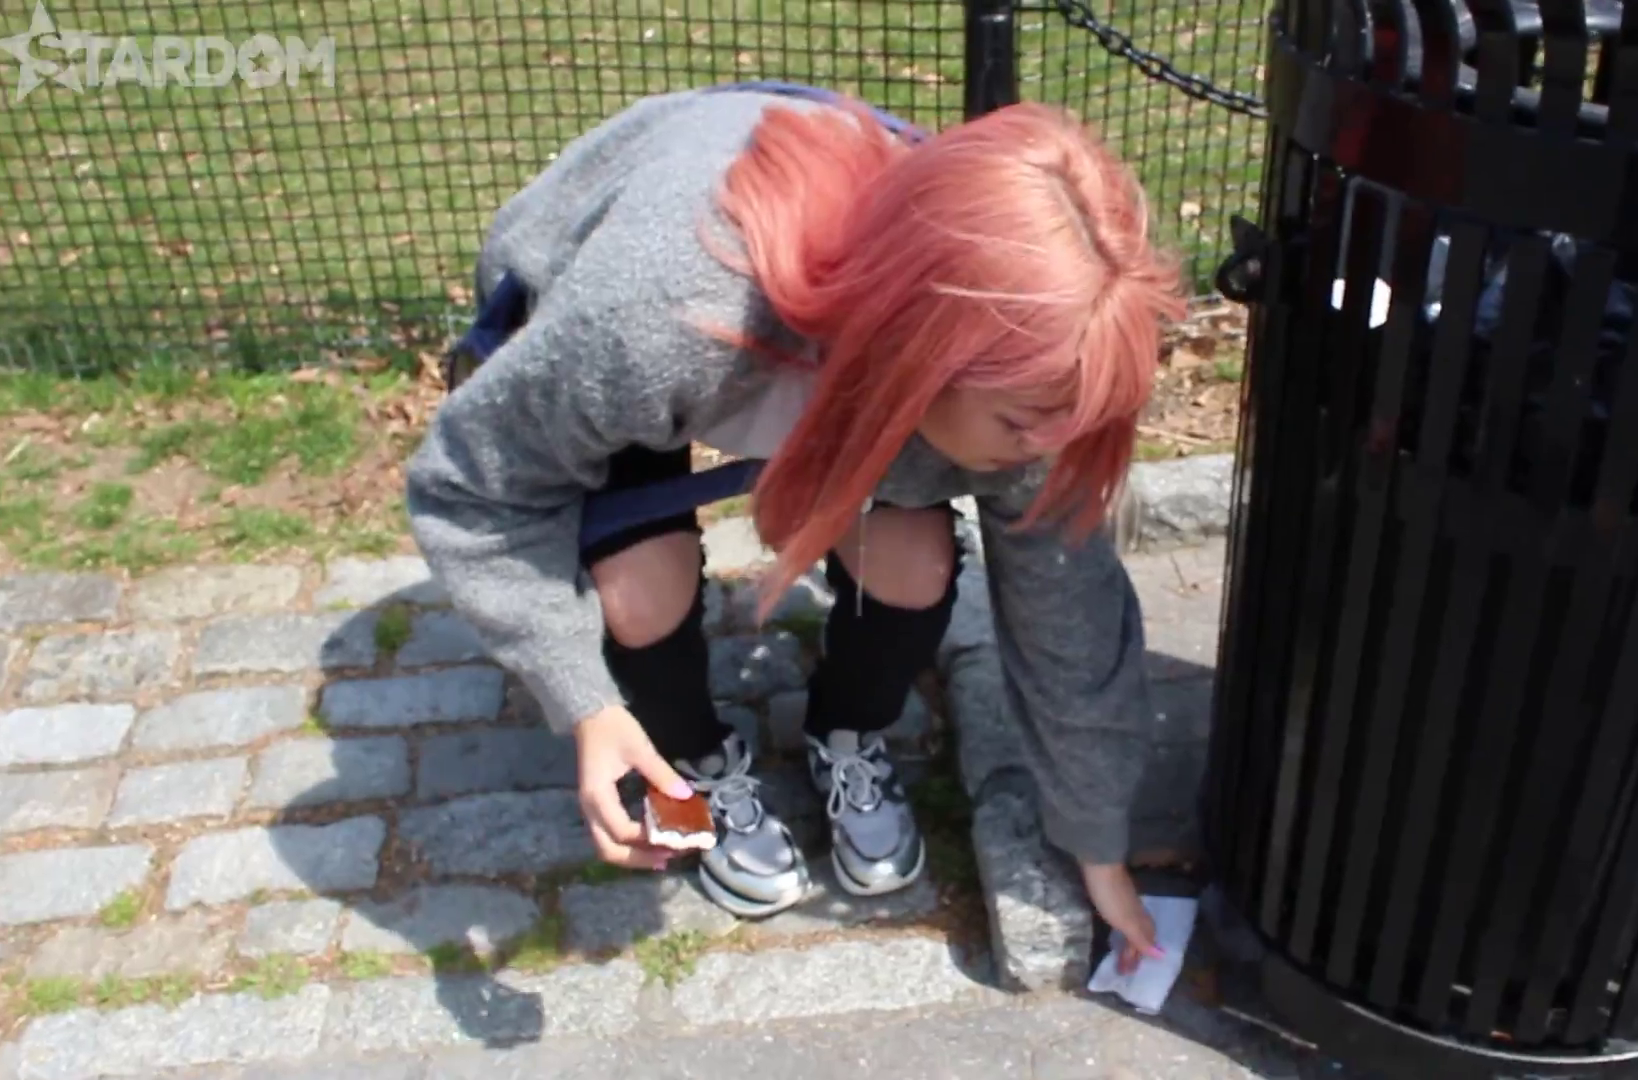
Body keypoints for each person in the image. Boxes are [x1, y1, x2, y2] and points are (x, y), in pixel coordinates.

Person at [403, 81, 1185, 972]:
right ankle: (686, 759)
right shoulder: (655, 317)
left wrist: (1096, 844)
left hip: (838, 358)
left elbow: (1068, 604)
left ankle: (845, 733)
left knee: (912, 565)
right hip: (630, 301)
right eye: (1021, 426)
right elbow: (476, 488)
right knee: (638, 592)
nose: (1044, 450)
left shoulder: (1030, 372)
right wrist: (583, 697)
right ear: (927, 350)